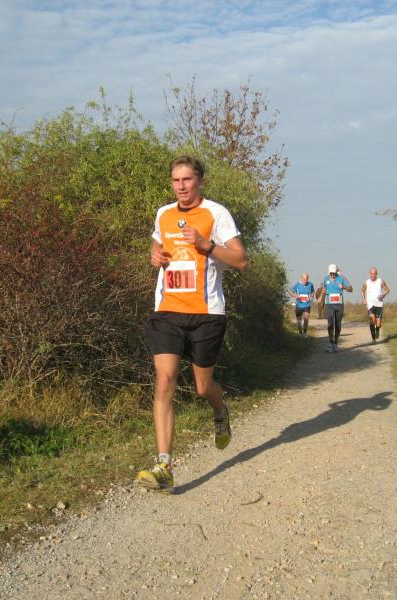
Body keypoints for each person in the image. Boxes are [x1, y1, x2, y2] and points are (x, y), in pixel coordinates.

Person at [138, 156, 247, 493]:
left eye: (187, 180)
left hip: (206, 314)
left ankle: (220, 410)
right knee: (165, 381)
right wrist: (155, 254)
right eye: (176, 180)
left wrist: (206, 245)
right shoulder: (164, 213)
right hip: (167, 311)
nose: (181, 186)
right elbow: (158, 242)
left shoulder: (216, 213)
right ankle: (164, 467)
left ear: (200, 181)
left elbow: (241, 260)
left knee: (202, 387)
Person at [322, 264, 352, 352]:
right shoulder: (326, 279)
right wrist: (320, 297)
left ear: (336, 272)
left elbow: (351, 289)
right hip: (329, 305)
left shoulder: (342, 278)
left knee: (338, 325)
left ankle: (335, 343)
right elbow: (324, 288)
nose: (332, 275)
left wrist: (344, 287)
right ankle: (331, 343)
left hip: (339, 304)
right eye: (331, 273)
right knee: (330, 324)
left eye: (333, 273)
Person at [361, 267, 391, 343]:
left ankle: (377, 329)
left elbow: (388, 290)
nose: (373, 275)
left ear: (376, 274)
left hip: (379, 304)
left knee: (378, 323)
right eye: (371, 273)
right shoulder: (366, 282)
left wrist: (383, 295)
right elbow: (362, 290)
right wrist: (364, 299)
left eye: (374, 273)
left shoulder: (380, 281)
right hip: (370, 304)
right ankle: (373, 339)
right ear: (369, 274)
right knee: (372, 320)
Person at [288, 273, 315, 337]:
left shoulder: (310, 284)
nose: (305, 281)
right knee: (299, 321)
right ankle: (300, 333)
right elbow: (289, 291)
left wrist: (311, 297)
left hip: (307, 305)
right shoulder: (297, 284)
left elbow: (312, 291)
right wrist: (295, 296)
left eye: (306, 280)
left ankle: (304, 333)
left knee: (306, 319)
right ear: (301, 278)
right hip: (299, 305)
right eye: (304, 280)